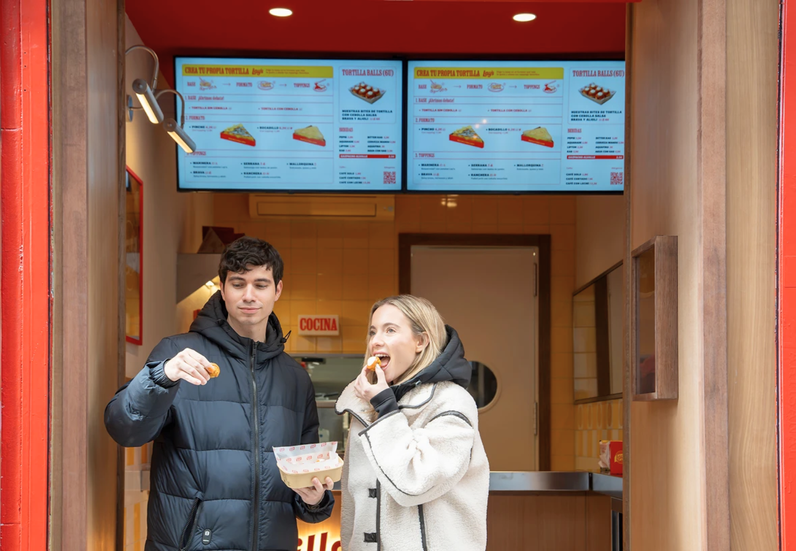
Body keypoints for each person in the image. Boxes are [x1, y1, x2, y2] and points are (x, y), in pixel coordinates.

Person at [105, 236, 334, 551]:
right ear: (223, 289)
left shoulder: (295, 378)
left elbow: (306, 486)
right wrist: (161, 376)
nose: (249, 295)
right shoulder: (178, 354)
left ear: (277, 290)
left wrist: (315, 499)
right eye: (238, 284)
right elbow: (125, 429)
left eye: (261, 285)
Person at [335, 295, 489, 550]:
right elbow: (355, 502)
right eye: (373, 331)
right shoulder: (364, 405)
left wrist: (385, 407)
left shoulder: (452, 401)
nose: (376, 341)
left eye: (390, 330)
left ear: (421, 341)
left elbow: (415, 483)